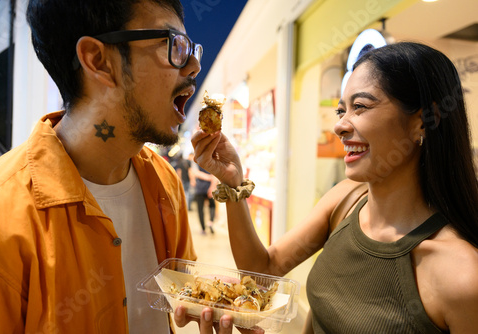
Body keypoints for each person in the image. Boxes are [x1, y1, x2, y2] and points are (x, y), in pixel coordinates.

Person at [0, 0, 241, 333]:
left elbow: (175, 302)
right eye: (174, 45)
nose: (193, 66)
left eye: (192, 49)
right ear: (98, 61)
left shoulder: (166, 186)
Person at [188, 42, 478, 333]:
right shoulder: (346, 201)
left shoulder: (462, 277)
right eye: (342, 111)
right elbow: (262, 270)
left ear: (423, 122)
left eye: (361, 107)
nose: (340, 126)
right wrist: (233, 183)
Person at [192, 164, 217, 234]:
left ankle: (203, 229)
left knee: (200, 209)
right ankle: (210, 222)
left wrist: (205, 177)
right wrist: (212, 186)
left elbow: (195, 173)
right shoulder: (212, 161)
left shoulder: (197, 161)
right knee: (212, 206)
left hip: (199, 188)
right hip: (209, 187)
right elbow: (215, 176)